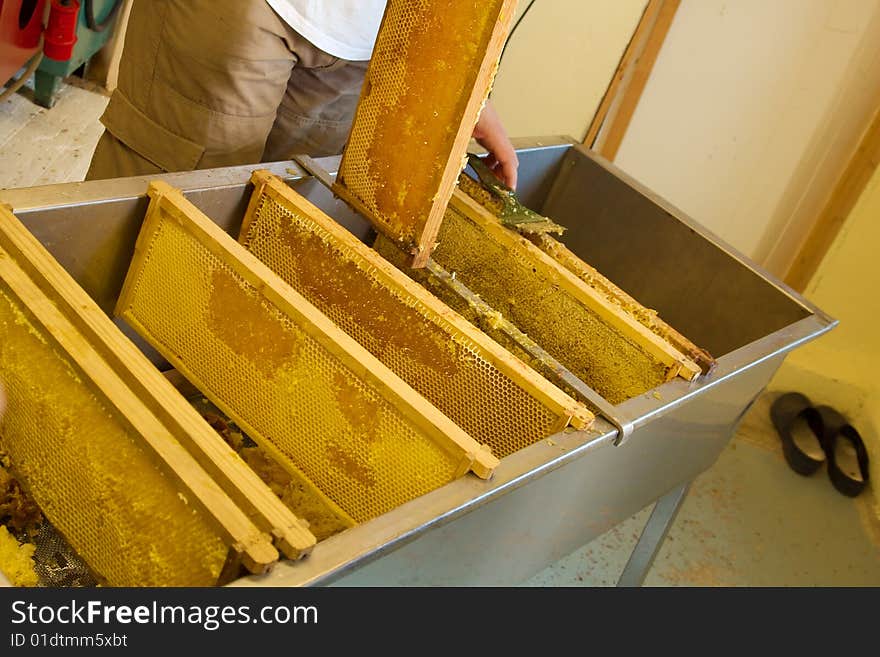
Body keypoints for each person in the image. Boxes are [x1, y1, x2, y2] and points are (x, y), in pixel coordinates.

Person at [85, 0, 519, 189]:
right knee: (163, 197)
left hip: (374, 37)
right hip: (241, 14)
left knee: (274, 217)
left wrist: (468, 91)